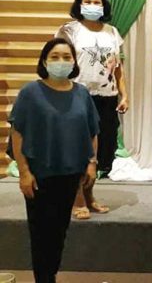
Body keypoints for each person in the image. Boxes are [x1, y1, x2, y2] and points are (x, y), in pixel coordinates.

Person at [9, 38, 99, 283]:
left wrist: (91, 163)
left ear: (74, 61)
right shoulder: (31, 92)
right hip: (39, 177)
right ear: (44, 61)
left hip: (70, 175)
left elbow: (92, 132)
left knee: (59, 232)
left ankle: (51, 275)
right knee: (41, 235)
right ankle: (44, 279)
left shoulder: (81, 93)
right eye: (55, 57)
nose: (61, 61)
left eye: (67, 57)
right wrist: (24, 172)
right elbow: (17, 133)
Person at [56, 0, 126, 219]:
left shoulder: (112, 32)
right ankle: (77, 199)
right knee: (79, 149)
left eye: (97, 2)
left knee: (101, 151)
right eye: (88, 1)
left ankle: (89, 195)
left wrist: (124, 94)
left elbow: (118, 66)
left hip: (107, 97)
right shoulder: (69, 30)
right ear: (79, 4)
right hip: (77, 96)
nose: (93, 5)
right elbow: (60, 60)